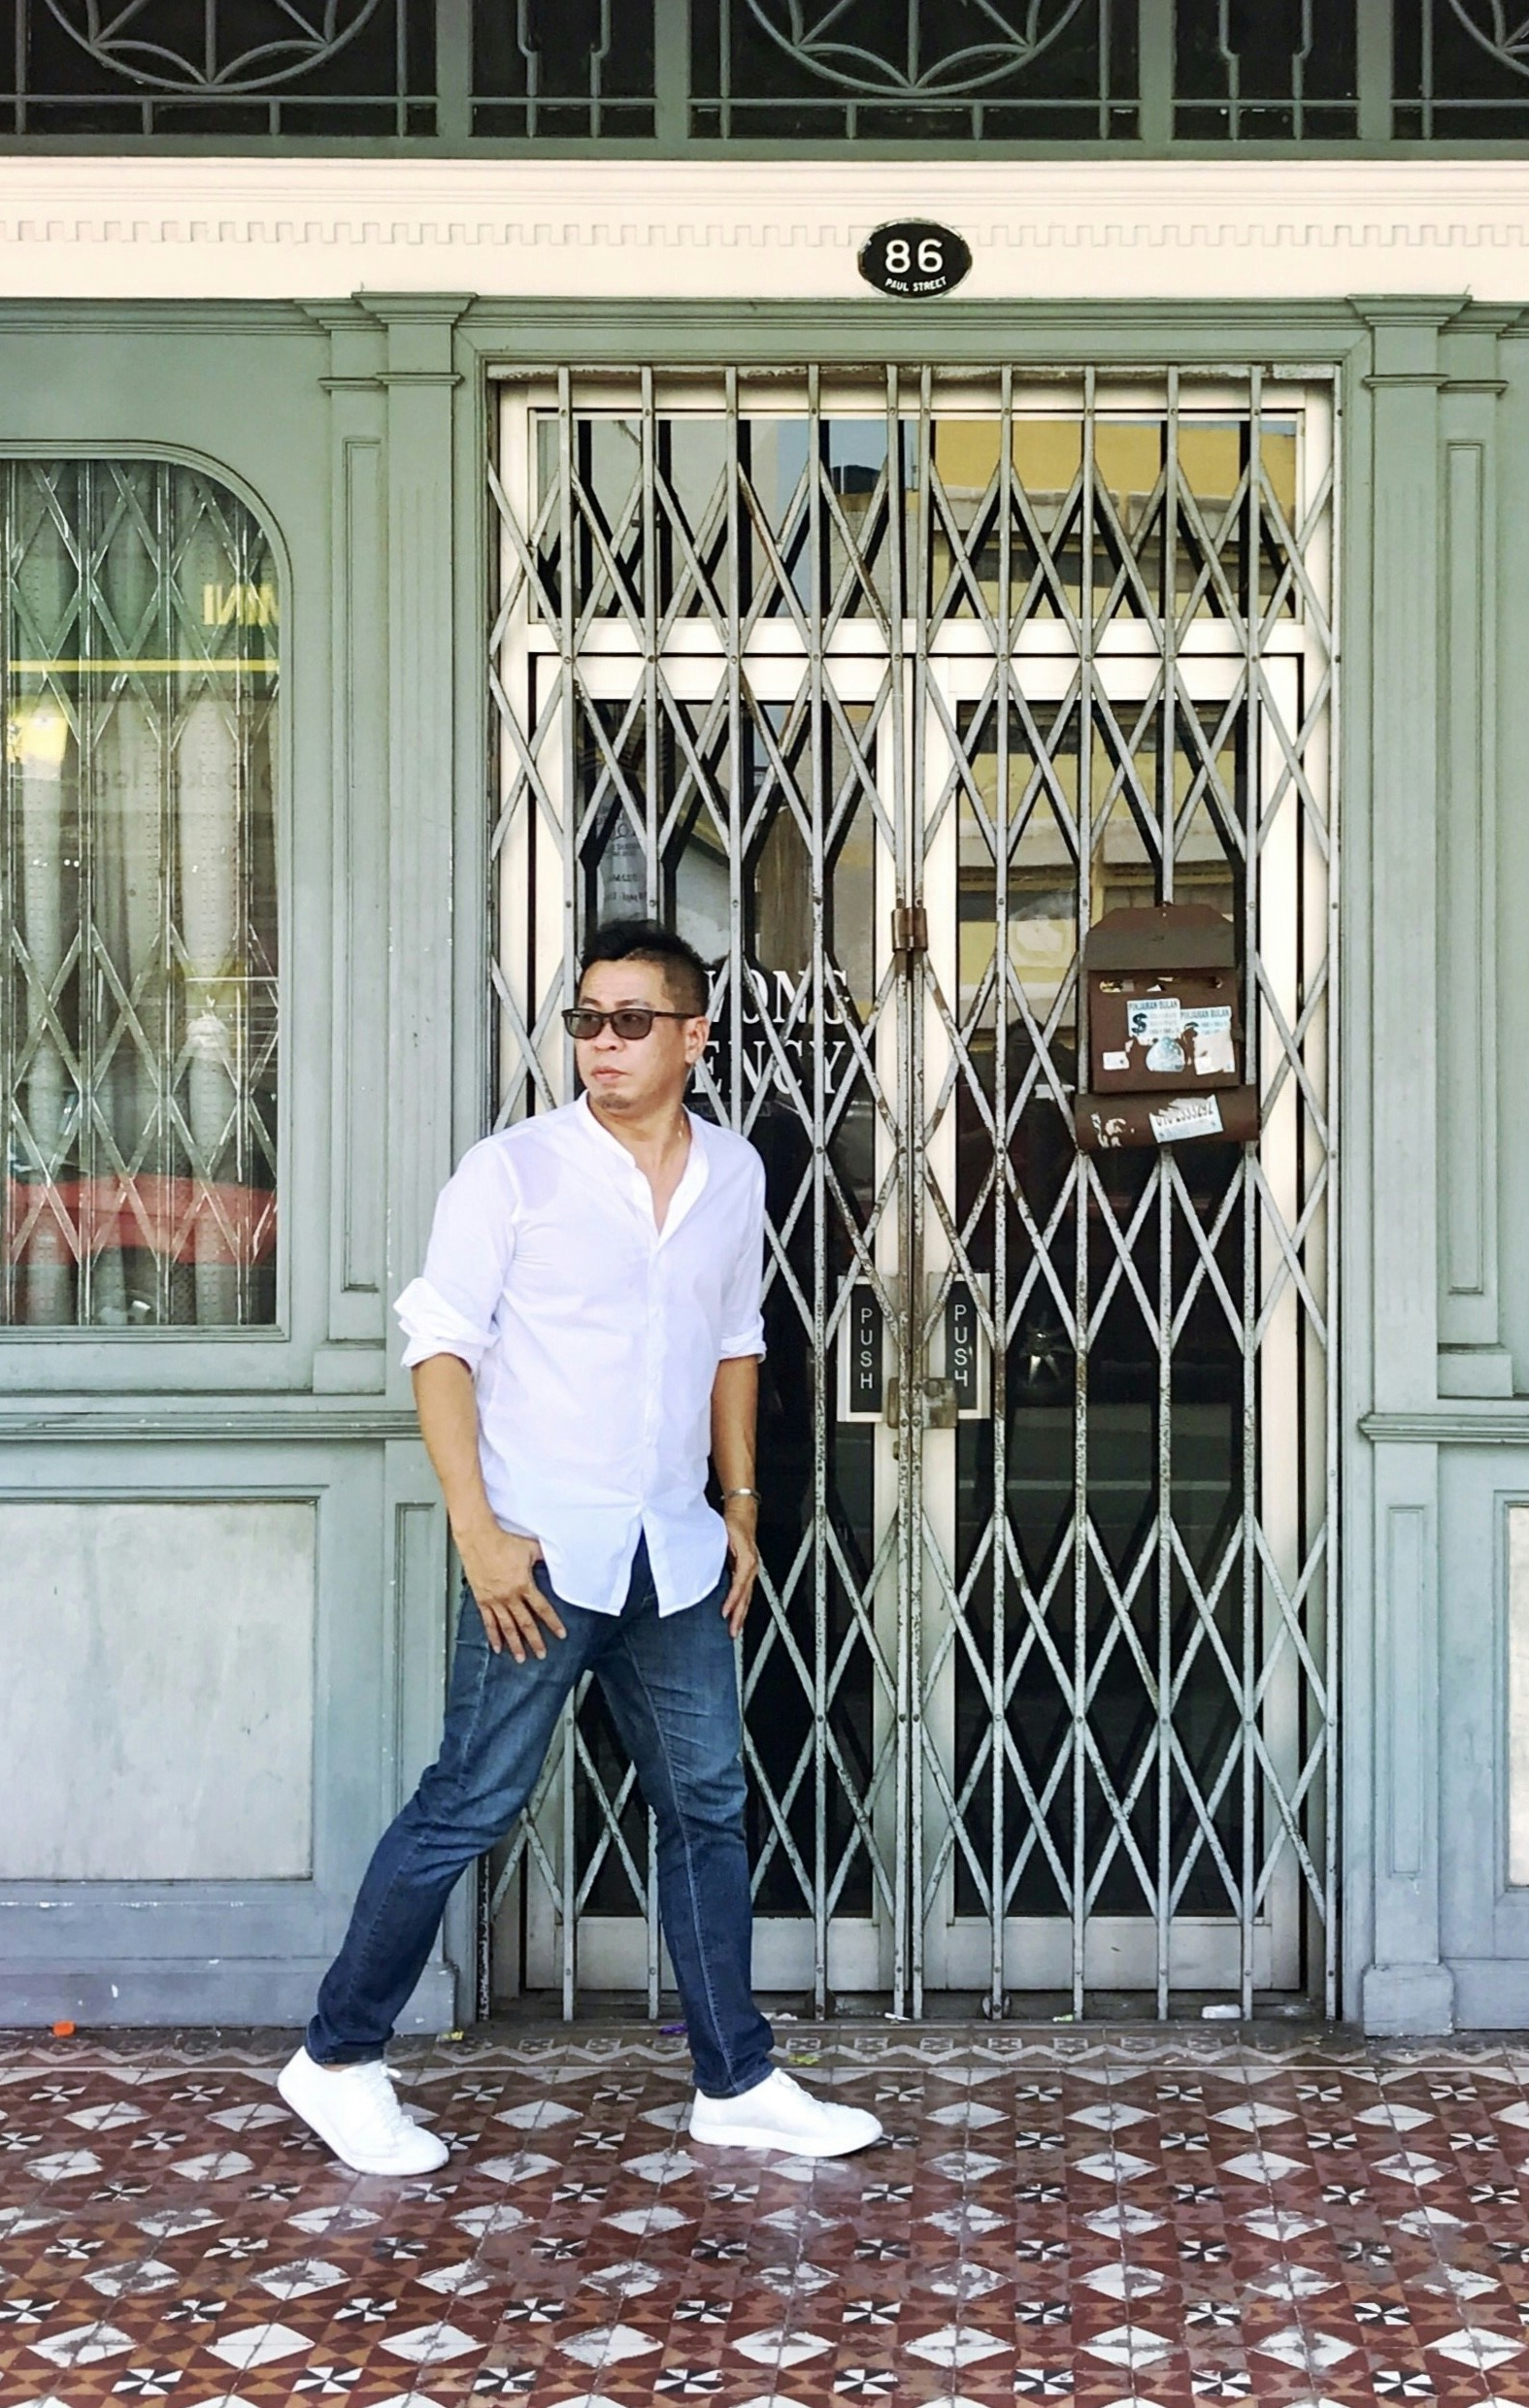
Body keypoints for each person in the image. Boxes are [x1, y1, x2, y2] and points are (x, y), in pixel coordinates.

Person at [276, 919, 882, 2175]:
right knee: (471, 1802)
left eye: (629, 1021)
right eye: (586, 1021)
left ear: (693, 1036)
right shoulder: (513, 1172)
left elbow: (735, 1340)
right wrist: (480, 1536)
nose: (600, 1044)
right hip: (540, 1556)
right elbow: (438, 1347)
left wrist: (744, 1504)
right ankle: (337, 2057)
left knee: (708, 1805)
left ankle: (737, 2078)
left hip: (673, 1553)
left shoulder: (733, 1174)